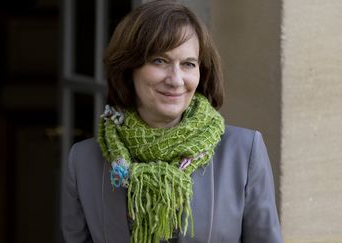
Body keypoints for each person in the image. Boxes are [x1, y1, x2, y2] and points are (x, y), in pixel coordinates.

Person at [60, 1, 283, 242]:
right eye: (159, 61)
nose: (176, 80)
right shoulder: (83, 162)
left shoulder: (243, 152)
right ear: (128, 68)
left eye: (188, 64)